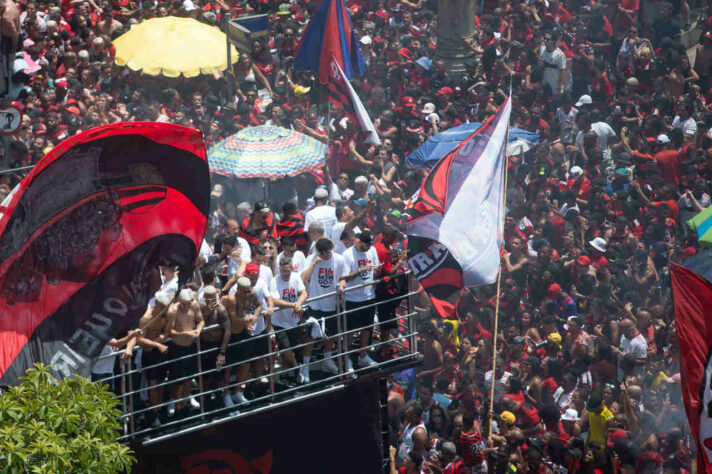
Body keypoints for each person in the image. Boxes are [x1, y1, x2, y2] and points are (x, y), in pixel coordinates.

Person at [301, 237, 349, 374]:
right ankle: (305, 366)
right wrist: (314, 263)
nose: (325, 255)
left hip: (331, 304)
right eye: (321, 252)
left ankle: (327, 361)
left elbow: (343, 277)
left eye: (327, 252)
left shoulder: (339, 259)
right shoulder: (312, 259)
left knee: (330, 335)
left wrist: (342, 285)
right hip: (315, 304)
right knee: (310, 337)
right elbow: (303, 278)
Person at [340, 230, 381, 371]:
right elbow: (345, 277)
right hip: (352, 298)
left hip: (368, 295)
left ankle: (363, 355)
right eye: (366, 245)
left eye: (370, 245)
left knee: (366, 329)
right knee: (350, 331)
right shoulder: (348, 255)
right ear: (359, 241)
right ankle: (347, 359)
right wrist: (361, 270)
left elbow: (377, 268)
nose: (368, 248)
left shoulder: (372, 250)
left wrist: (377, 270)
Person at [270, 255, 311, 383]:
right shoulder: (274, 281)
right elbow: (275, 301)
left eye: (288, 271)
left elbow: (304, 293)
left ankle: (284, 375)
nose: (286, 274)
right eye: (283, 271)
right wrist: (293, 305)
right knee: (286, 348)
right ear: (279, 270)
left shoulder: (295, 277)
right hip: (279, 322)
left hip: (294, 320)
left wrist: (298, 303)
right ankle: (297, 368)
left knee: (291, 348)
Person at [165, 289, 204, 418]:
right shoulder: (173, 311)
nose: (186, 307)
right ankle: (176, 403)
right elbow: (170, 331)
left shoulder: (194, 306)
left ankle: (185, 400)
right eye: (183, 304)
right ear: (179, 301)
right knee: (177, 379)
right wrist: (184, 333)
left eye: (188, 304)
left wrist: (198, 330)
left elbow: (201, 321)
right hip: (177, 346)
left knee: (189, 377)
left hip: (190, 346)